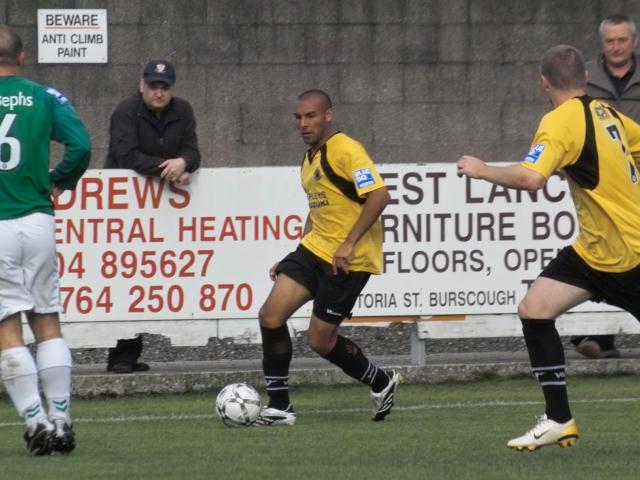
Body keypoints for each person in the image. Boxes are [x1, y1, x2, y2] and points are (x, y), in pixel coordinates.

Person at [457, 45, 640, 451]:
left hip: (628, 256)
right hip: (595, 253)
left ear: (543, 83)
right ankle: (558, 418)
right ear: (586, 79)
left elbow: (530, 179)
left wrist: (480, 169)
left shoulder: (559, 122)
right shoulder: (607, 114)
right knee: (534, 309)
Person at [256, 90, 397, 425]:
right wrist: (296, 252)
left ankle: (380, 380)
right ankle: (279, 407)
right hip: (315, 249)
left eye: (311, 116)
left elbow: (379, 196)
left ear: (328, 116)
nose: (303, 124)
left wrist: (348, 244)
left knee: (319, 340)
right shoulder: (309, 159)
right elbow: (319, 207)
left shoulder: (346, 149)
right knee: (270, 315)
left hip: (348, 260)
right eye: (298, 117)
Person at [0, 25, 91, 455]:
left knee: (6, 326)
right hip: (38, 220)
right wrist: (57, 181)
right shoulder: (45, 96)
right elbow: (81, 146)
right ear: (21, 57)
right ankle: (61, 419)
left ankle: (36, 423)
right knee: (46, 318)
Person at [104, 59, 200, 373]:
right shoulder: (125, 111)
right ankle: (120, 355)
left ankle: (130, 354)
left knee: (151, 276)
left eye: (164, 87)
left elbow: (193, 151)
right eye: (153, 86)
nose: (158, 92)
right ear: (141, 85)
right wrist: (170, 170)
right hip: (123, 206)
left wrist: (184, 162)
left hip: (160, 208)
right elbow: (125, 156)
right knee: (124, 277)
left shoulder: (183, 111)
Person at [571, 14, 640, 359]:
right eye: (610, 41)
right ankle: (594, 335)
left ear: (634, 42)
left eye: (622, 40)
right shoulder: (586, 81)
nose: (616, 47)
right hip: (601, 186)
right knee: (601, 252)